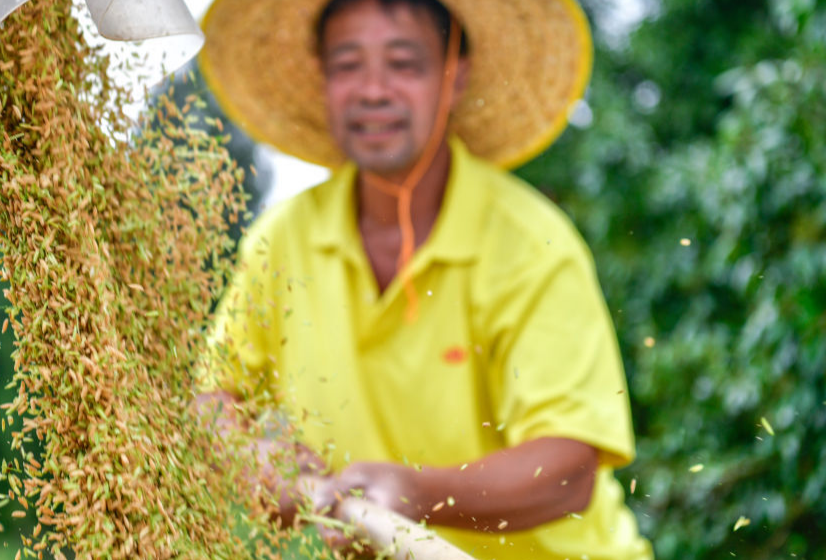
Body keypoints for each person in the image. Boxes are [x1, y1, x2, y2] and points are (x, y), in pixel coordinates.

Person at [195, 0, 654, 558]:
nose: (372, 90)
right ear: (322, 79)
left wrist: (418, 492)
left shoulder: (531, 245)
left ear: (453, 78)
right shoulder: (284, 240)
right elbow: (213, 398)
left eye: (403, 63)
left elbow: (568, 468)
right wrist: (254, 460)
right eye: (347, 64)